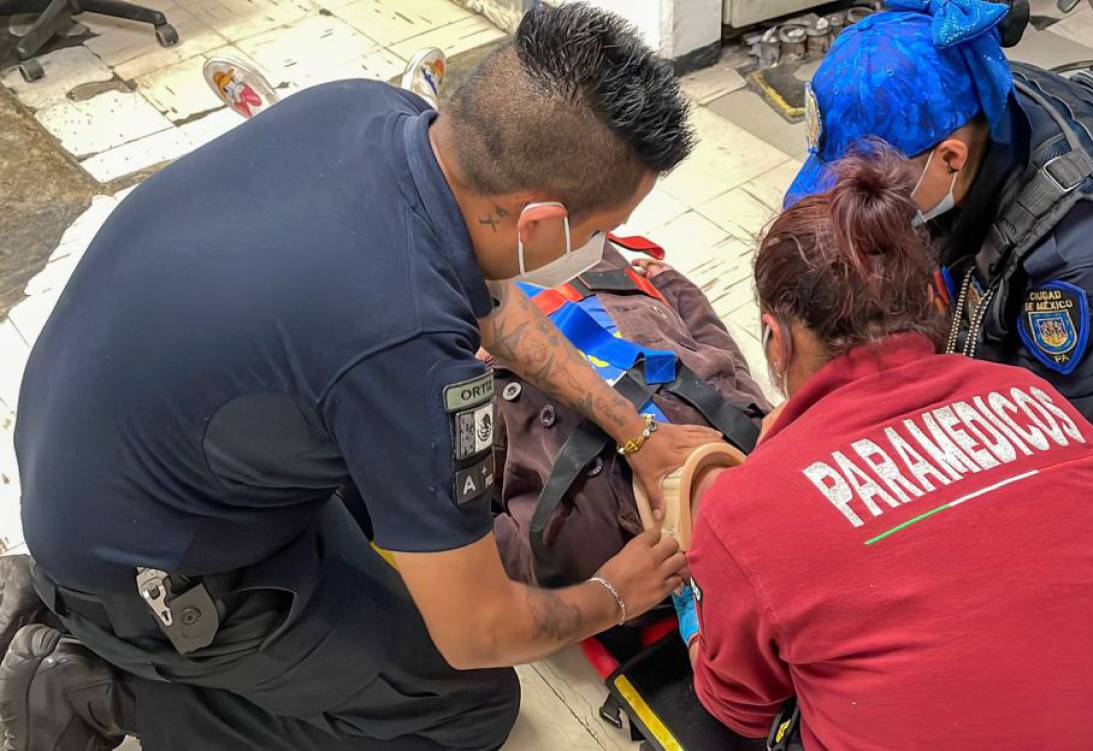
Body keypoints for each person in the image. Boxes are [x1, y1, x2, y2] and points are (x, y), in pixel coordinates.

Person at [6, 4, 718, 749]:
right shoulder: (407, 350)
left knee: (401, 545)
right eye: (599, 230)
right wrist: (613, 594)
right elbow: (479, 631)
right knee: (467, 706)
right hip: (146, 568)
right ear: (536, 223)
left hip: (100, 449)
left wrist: (635, 430)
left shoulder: (368, 111)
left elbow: (493, 306)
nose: (600, 248)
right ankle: (99, 682)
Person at [673, 149, 1093, 750]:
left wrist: (697, 600)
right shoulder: (1035, 399)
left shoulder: (748, 511)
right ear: (936, 301)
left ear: (776, 341)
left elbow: (740, 707)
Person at [785, 0, 1093, 558]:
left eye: (870, 191)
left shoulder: (1090, 256)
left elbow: (1042, 436)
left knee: (1082, 551)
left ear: (950, 157)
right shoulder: (970, 94)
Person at [489, 241, 772, 587]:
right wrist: (673, 287)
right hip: (600, 283)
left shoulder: (576, 544)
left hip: (477, 342)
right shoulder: (758, 435)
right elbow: (719, 352)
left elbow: (459, 540)